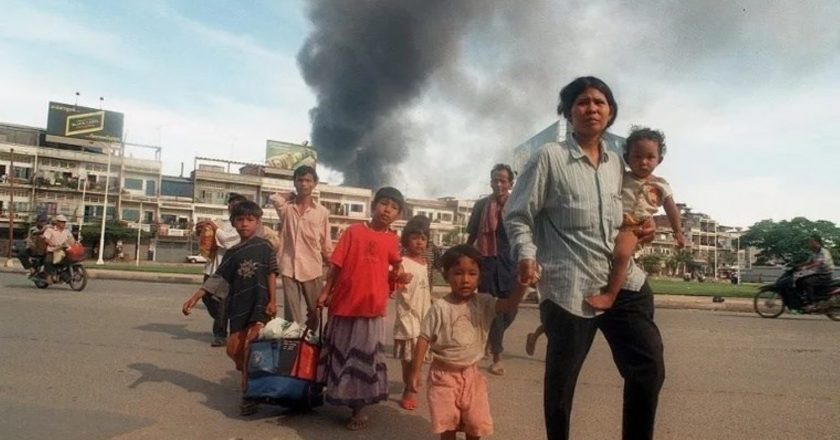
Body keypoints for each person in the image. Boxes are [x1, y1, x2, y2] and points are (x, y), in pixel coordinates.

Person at [504, 76, 665, 440]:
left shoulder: (616, 165)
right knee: (562, 388)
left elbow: (627, 212)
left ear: (610, 113)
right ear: (568, 111)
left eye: (599, 102)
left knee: (648, 368)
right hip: (569, 288)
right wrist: (526, 254)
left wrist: (645, 227)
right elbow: (517, 215)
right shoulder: (549, 157)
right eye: (582, 102)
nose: (591, 108)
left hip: (623, 283)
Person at [408, 245, 529, 440]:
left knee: (475, 423)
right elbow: (423, 339)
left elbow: (509, 305)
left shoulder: (484, 303)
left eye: (472, 274)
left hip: (472, 375)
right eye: (458, 273)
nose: (465, 280)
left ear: (480, 278)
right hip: (443, 377)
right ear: (446, 275)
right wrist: (415, 371)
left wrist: (522, 286)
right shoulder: (440, 307)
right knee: (447, 424)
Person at [316, 187, 408, 431]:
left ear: (398, 215)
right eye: (384, 203)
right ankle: (335, 394)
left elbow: (395, 269)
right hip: (344, 305)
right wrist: (325, 292)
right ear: (374, 205)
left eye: (394, 207)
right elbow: (336, 266)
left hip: (371, 309)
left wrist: (400, 275)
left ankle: (359, 408)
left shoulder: (392, 240)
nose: (387, 210)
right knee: (341, 355)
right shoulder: (353, 232)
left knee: (363, 360)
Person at [182, 200, 278, 416]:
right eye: (240, 220)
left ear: (258, 222)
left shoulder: (265, 247)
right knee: (233, 349)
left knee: (250, 348)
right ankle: (249, 375)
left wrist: (273, 300)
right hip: (238, 307)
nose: (245, 224)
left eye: (250, 220)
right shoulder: (233, 252)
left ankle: (249, 395)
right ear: (233, 223)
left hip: (260, 304)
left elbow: (272, 273)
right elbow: (219, 278)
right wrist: (196, 296)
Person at [586, 127, 685, 311]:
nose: (643, 162)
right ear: (627, 158)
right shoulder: (621, 177)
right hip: (612, 222)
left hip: (634, 227)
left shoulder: (661, 184)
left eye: (650, 157)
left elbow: (671, 208)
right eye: (637, 157)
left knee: (622, 255)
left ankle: (610, 295)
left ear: (659, 160)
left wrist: (678, 232)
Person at [466, 163, 516, 376]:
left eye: (503, 180)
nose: (498, 184)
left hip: (510, 263)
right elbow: (472, 235)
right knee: (494, 309)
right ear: (490, 182)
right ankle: (497, 356)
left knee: (511, 310)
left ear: (510, 183)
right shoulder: (480, 206)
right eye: (495, 179)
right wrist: (465, 258)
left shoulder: (517, 205)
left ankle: (487, 338)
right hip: (486, 262)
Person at [269, 165, 332, 328]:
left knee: (315, 311)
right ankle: (294, 347)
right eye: (300, 180)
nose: (304, 184)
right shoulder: (287, 208)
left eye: (308, 181)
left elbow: (326, 242)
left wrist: (331, 265)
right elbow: (274, 198)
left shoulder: (322, 212)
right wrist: (290, 195)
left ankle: (310, 345)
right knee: (291, 315)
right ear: (295, 183)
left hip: (312, 267)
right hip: (289, 266)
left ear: (315, 184)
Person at [197, 193, 249, 347]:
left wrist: (213, 227)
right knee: (206, 298)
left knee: (221, 303)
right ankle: (225, 318)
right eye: (230, 204)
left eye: (236, 205)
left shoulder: (241, 227)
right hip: (213, 268)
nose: (232, 207)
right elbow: (211, 240)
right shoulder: (224, 224)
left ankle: (220, 334)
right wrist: (202, 231)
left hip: (228, 271)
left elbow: (226, 241)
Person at [393, 215, 433, 411]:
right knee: (408, 355)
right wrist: (401, 278)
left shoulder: (426, 263)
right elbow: (395, 281)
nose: (419, 242)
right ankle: (408, 387)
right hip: (408, 314)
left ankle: (414, 380)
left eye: (423, 238)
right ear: (406, 239)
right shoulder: (402, 261)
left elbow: (426, 288)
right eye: (415, 237)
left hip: (424, 313)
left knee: (420, 351)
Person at [796, 235, 834, 307]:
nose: (809, 244)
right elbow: (809, 261)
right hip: (818, 273)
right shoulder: (814, 252)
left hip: (825, 275)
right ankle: (804, 298)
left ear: (817, 242)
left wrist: (806, 267)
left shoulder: (824, 252)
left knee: (808, 282)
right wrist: (797, 266)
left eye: (811, 242)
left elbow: (819, 263)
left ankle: (812, 303)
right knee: (799, 280)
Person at [42, 214, 76, 283]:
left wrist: (75, 243)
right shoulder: (50, 230)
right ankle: (48, 276)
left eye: (64, 222)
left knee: (70, 260)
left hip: (63, 250)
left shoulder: (67, 231)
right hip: (52, 250)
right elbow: (46, 238)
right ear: (57, 222)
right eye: (61, 222)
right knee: (48, 261)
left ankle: (64, 276)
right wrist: (50, 243)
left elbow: (71, 239)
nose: (63, 224)